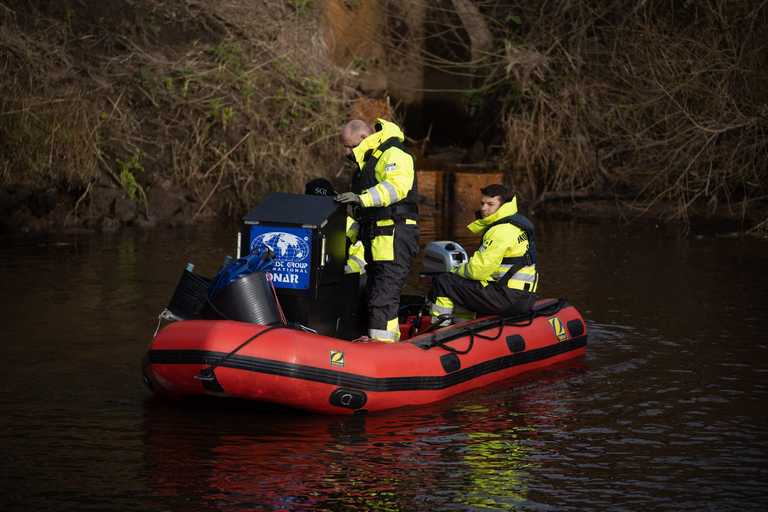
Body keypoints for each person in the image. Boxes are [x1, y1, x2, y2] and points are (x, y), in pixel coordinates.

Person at [335, 118, 419, 342]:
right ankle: (371, 340)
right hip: (376, 237)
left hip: (394, 235)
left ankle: (384, 345)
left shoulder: (394, 153)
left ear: (364, 137)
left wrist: (361, 198)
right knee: (373, 293)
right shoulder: (368, 162)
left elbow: (396, 187)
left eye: (350, 146)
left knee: (384, 295)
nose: (346, 152)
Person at [428, 183, 538, 324]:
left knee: (444, 282)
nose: (484, 208)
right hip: (525, 297)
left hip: (507, 298)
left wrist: (455, 270)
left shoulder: (499, 231)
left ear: (503, 206)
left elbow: (478, 271)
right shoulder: (516, 225)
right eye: (482, 203)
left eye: (490, 204)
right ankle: (462, 325)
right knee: (464, 284)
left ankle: (440, 329)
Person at [304, 178, 366, 275]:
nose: (317, 206)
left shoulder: (350, 225)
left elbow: (361, 259)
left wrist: (340, 271)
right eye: (312, 201)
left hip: (340, 280)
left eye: (322, 202)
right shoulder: (298, 221)